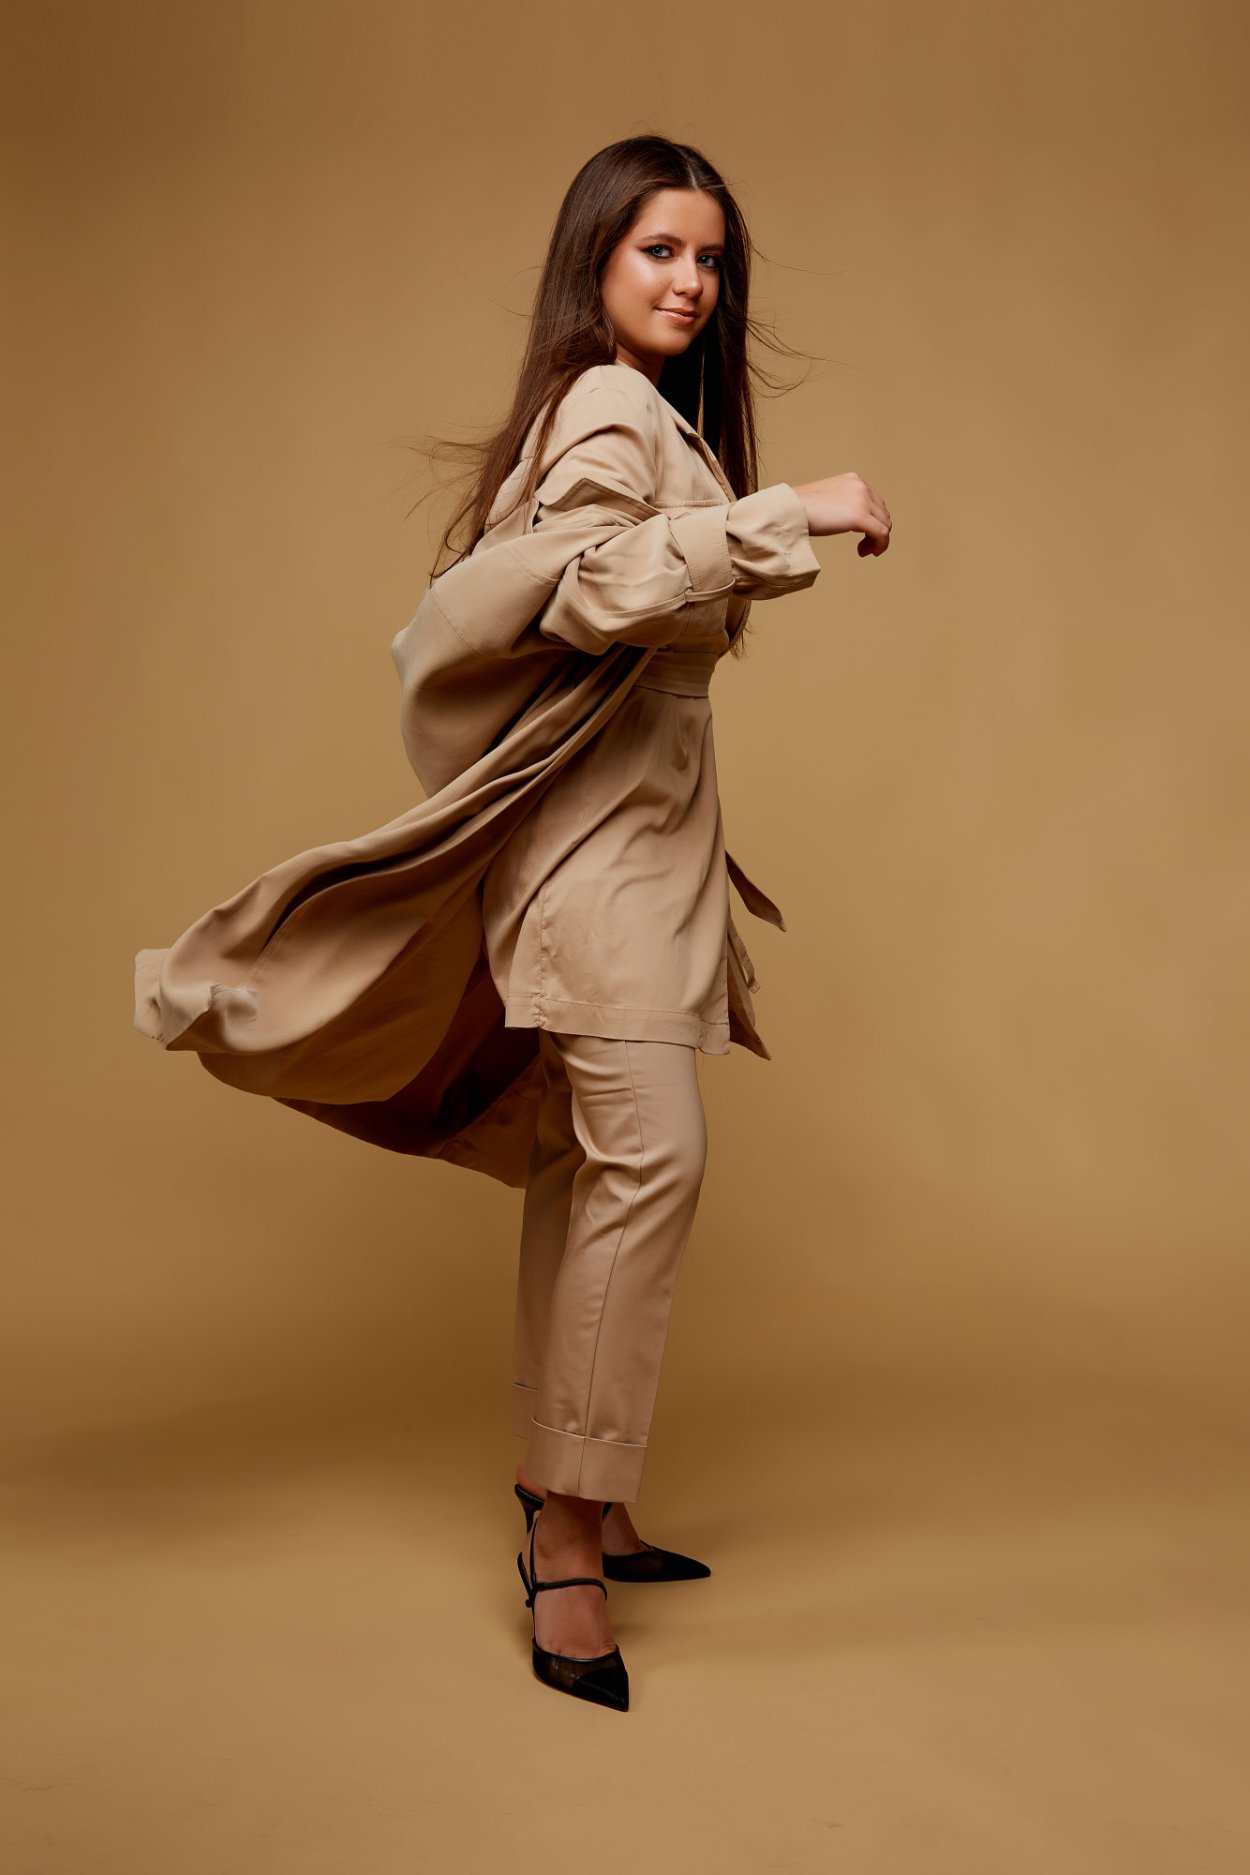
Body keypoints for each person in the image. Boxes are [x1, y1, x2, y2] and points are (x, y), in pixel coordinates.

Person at [132, 134, 891, 1714]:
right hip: (601, 861)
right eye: (658, 251)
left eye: (709, 258)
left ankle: (585, 1489)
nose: (691, 282)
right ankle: (561, 1532)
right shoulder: (608, 404)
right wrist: (792, 510)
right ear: (592, 262)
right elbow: (587, 587)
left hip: (643, 849)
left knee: (589, 1164)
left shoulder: (643, 410)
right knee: (646, 1161)